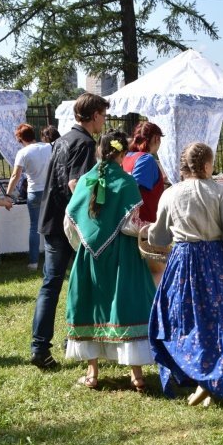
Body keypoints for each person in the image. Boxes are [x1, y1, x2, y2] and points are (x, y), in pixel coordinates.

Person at [148, 143, 223, 407]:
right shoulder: (218, 191)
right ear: (207, 165)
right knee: (216, 320)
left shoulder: (171, 193)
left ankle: (202, 379)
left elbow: (159, 236)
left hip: (182, 262)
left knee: (183, 319)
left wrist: (146, 231)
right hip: (213, 262)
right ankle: (209, 380)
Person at [63, 130, 155, 391]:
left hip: (89, 255)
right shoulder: (126, 182)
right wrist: (151, 229)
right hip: (121, 256)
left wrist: (83, 247)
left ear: (98, 152)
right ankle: (136, 375)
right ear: (122, 153)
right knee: (125, 305)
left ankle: (92, 373)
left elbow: (69, 222)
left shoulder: (83, 181)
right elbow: (130, 225)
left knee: (90, 305)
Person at [30, 92, 104, 370]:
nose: (104, 121)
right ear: (95, 115)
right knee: (81, 283)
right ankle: (63, 340)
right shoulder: (85, 143)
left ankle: (45, 344)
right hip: (70, 226)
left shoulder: (60, 140)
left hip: (51, 220)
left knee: (52, 284)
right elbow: (76, 184)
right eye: (103, 116)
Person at [5, 123, 52, 270]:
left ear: (20, 139)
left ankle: (33, 262)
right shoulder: (48, 147)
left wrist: (8, 195)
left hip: (34, 192)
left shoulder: (23, 153)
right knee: (51, 227)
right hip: (49, 191)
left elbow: (15, 176)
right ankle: (52, 260)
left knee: (34, 228)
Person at [122, 121, 166, 223]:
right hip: (143, 225)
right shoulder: (146, 159)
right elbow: (134, 189)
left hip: (128, 221)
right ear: (156, 138)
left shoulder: (126, 157)